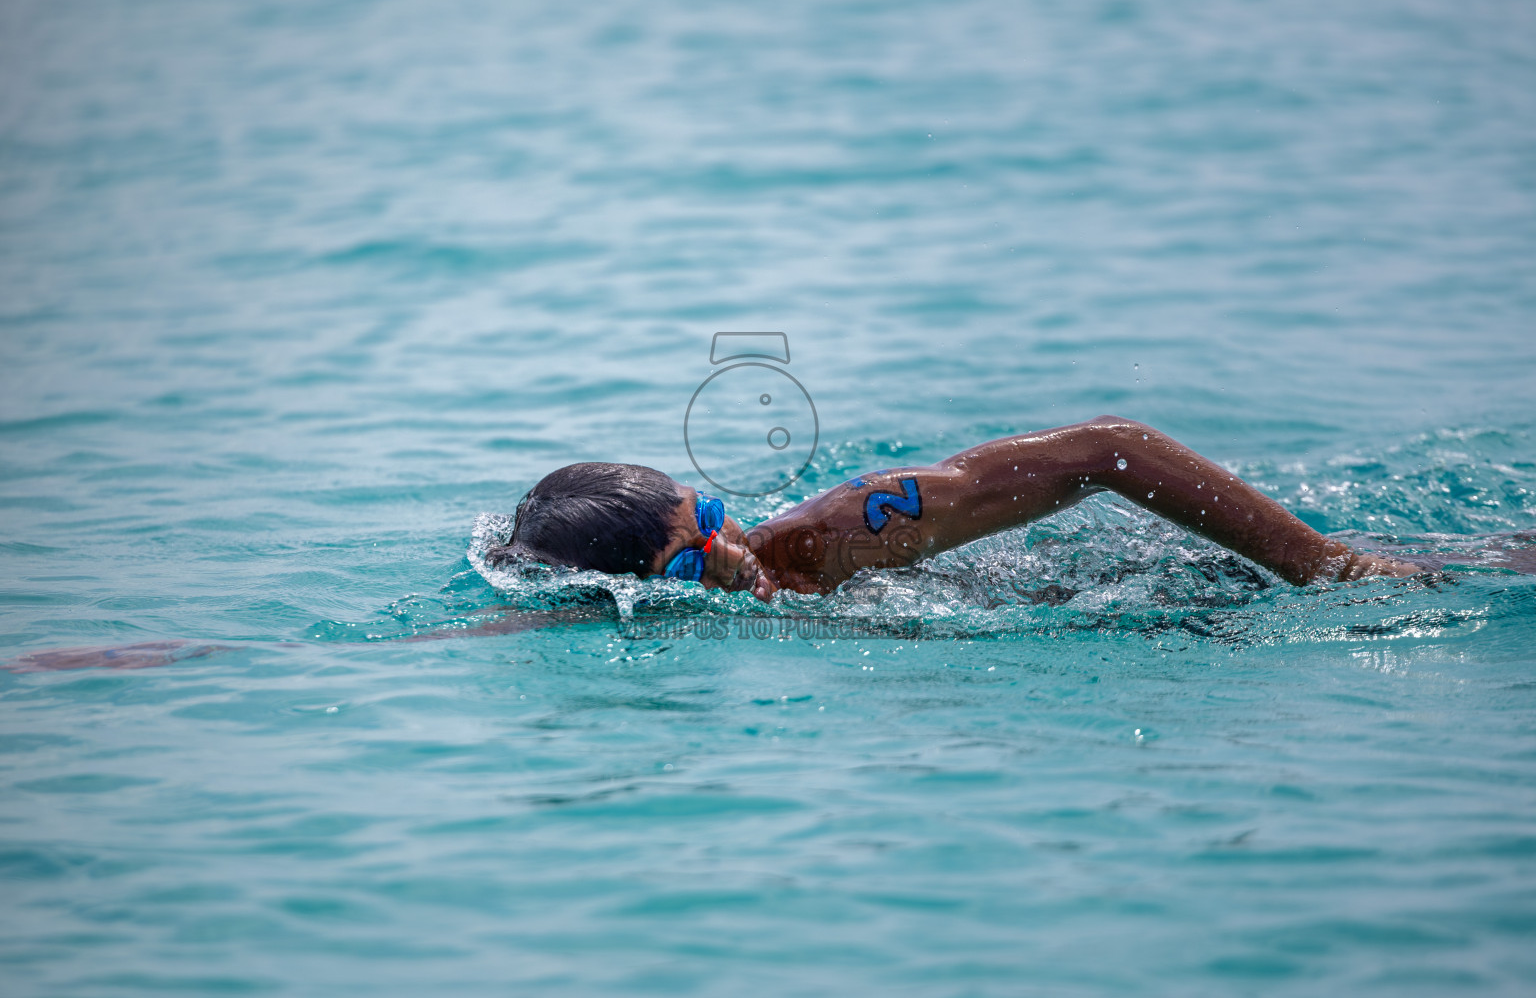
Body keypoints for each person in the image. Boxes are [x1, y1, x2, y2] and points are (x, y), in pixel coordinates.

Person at [488, 415, 1423, 601]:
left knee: (1438, 570)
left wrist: (1323, 566)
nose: (731, 550)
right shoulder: (601, 607)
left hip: (1155, 590)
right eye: (694, 564)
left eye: (715, 518)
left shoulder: (836, 535)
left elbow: (1111, 449)